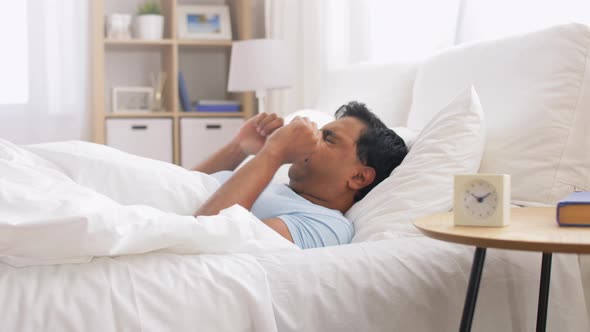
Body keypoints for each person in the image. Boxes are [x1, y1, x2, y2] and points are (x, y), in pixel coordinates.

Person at [193, 101, 408, 249]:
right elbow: (184, 182)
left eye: (328, 139)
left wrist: (274, 152)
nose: (312, 138)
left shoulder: (327, 226)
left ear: (358, 177)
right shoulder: (273, 186)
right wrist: (239, 147)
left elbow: (205, 236)